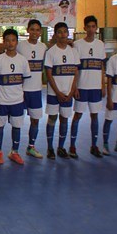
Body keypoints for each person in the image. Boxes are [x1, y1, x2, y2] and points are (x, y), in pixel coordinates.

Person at [0, 29, 31, 165]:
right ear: (4, 42)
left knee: (17, 127)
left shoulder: (22, 60)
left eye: (13, 40)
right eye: (7, 40)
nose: (10, 43)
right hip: (1, 101)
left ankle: (14, 152)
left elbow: (25, 80)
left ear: (17, 42)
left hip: (17, 101)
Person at [71, 15, 106, 158]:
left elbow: (102, 66)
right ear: (84, 28)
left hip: (96, 87)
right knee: (77, 115)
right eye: (88, 26)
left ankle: (94, 145)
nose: (91, 29)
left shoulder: (100, 44)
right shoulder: (78, 44)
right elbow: (75, 68)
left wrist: (103, 85)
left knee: (94, 116)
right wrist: (75, 87)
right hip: (82, 87)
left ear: (96, 28)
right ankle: (72, 146)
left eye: (93, 26)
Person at [44, 22, 79, 160]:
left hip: (68, 93)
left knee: (64, 119)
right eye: (59, 32)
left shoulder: (73, 51)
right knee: (52, 118)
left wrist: (72, 91)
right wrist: (57, 92)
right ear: (55, 34)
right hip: (54, 93)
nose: (63, 34)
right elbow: (49, 74)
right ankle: (50, 148)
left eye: (65, 31)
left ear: (68, 33)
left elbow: (76, 72)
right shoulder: (51, 52)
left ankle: (61, 147)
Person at [17, 19, 47, 159]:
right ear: (28, 30)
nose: (35, 32)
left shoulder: (43, 47)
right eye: (32, 29)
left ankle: (31, 147)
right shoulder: (20, 46)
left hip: (35, 91)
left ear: (40, 32)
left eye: (37, 30)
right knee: (17, 121)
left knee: (35, 120)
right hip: (20, 90)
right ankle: (14, 149)